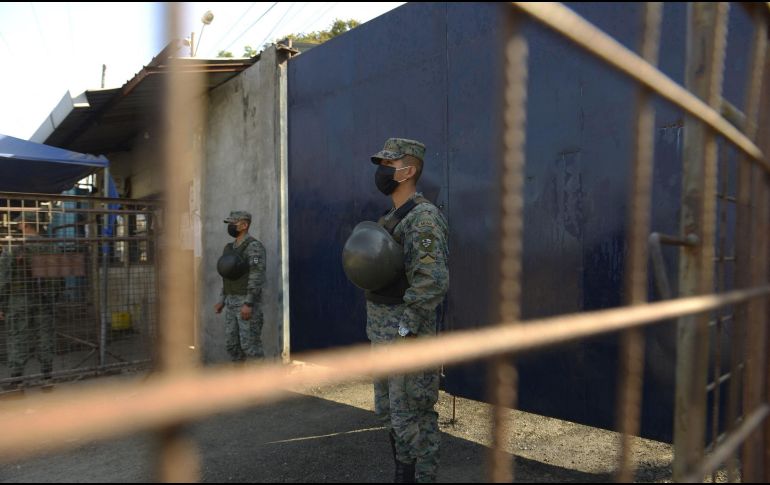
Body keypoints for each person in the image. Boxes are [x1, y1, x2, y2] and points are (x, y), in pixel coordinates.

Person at [364, 138, 449, 483]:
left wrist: (405, 330)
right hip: (383, 337)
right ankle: (404, 474)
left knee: (413, 416)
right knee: (391, 414)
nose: (381, 171)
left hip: (407, 339)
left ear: (408, 170)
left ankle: (421, 477)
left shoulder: (423, 219)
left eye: (388, 165)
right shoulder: (389, 219)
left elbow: (432, 280)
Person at [0, 212, 59, 392]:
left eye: (20, 223)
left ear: (26, 224)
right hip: (43, 298)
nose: (18, 226)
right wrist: (53, 296)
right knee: (45, 335)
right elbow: (57, 277)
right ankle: (47, 379)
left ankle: (18, 381)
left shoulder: (13, 246)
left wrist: (1, 304)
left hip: (18, 298)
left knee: (17, 336)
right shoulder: (50, 246)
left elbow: (3, 277)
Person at [213, 211, 267, 362]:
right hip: (230, 302)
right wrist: (221, 300)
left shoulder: (254, 247)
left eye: (233, 223)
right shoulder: (229, 248)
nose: (230, 226)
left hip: (246, 302)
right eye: (229, 223)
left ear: (244, 225)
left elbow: (257, 276)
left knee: (250, 346)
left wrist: (249, 303)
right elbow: (227, 277)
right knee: (232, 346)